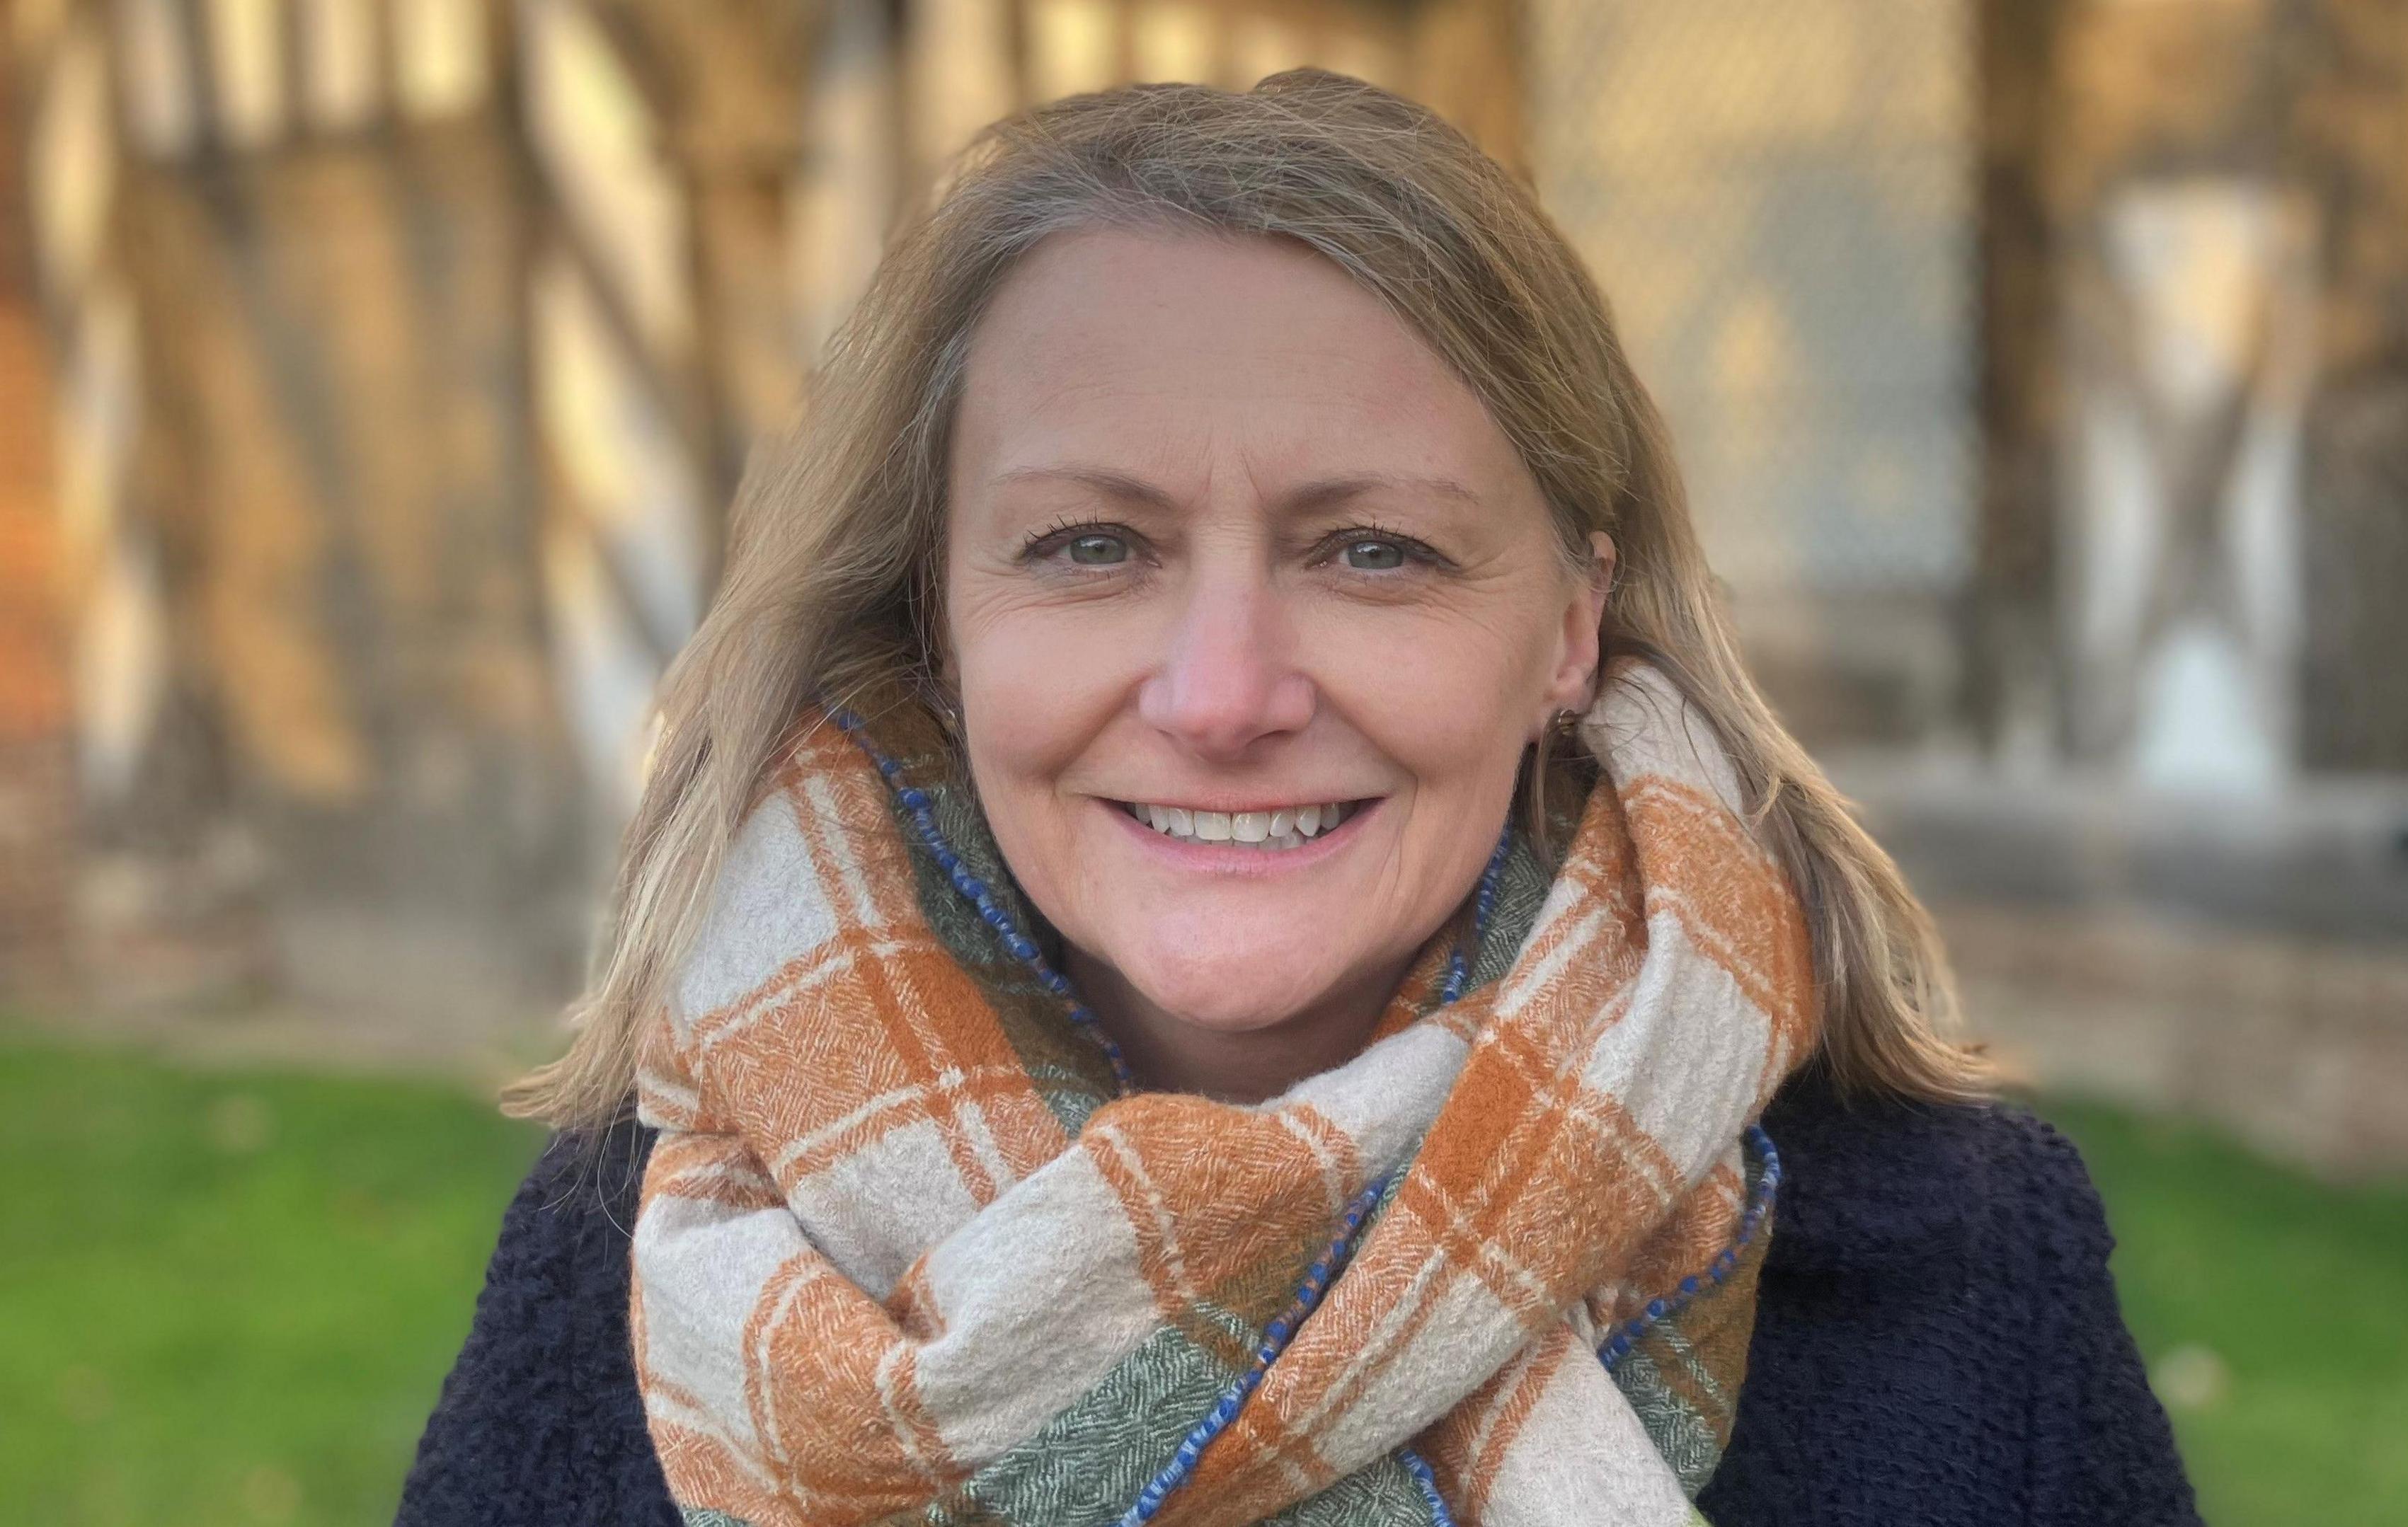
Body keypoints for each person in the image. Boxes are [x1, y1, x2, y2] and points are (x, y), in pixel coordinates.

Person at [396, 71, 2199, 1527]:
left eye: (1376, 549)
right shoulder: (630, 1269)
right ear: (938, 616)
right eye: (1092, 545)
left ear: (1568, 625)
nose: (1225, 695)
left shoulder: (1964, 1275)